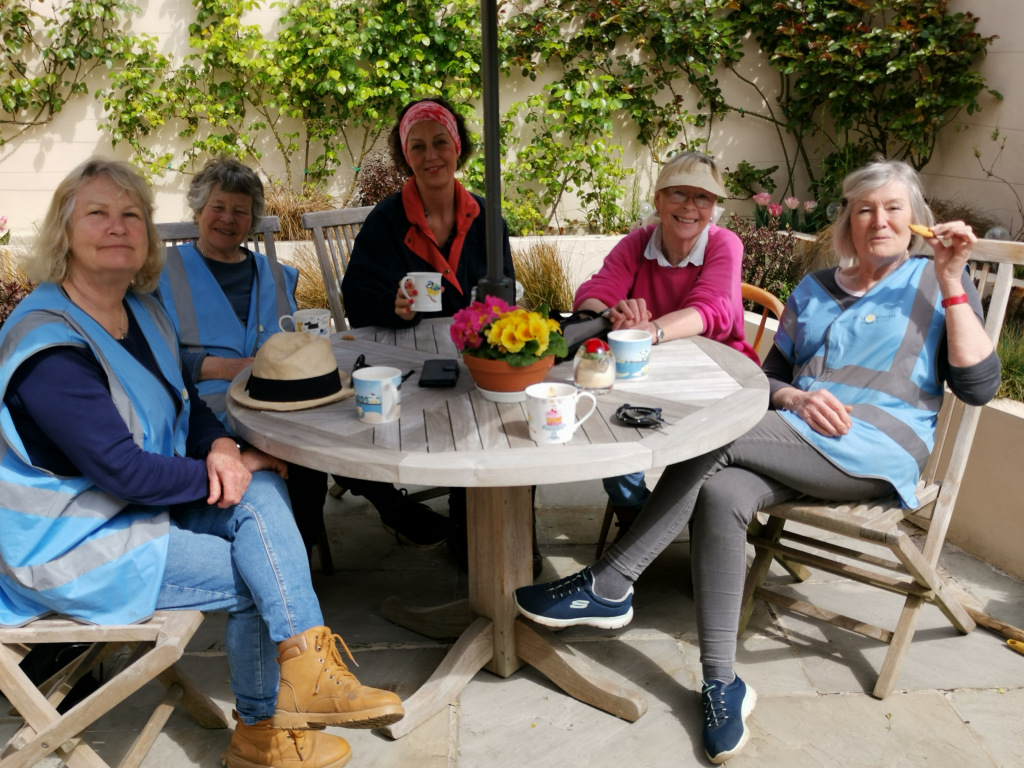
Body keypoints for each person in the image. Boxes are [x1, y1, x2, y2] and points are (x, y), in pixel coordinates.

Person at [514, 158, 1001, 764]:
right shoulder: (815, 289)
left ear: (916, 221)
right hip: (794, 436)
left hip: (877, 448)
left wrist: (954, 279)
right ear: (848, 219)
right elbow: (769, 379)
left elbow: (979, 386)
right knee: (720, 492)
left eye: (893, 208)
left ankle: (611, 584)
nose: (879, 220)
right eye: (865, 208)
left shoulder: (935, 281)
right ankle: (723, 681)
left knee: (717, 432)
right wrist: (795, 394)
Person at [0, 158, 404, 768]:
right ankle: (263, 732)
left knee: (262, 496)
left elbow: (183, 401)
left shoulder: (141, 309)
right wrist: (235, 466)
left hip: (136, 512)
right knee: (258, 572)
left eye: (131, 214)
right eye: (98, 214)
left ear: (148, 233)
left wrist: (221, 447)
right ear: (64, 232)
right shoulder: (48, 344)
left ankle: (307, 673)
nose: (118, 226)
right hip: (73, 542)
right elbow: (124, 471)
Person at [340, 97, 518, 567]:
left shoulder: (485, 216)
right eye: (416, 147)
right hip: (405, 359)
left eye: (441, 142)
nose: (431, 155)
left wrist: (492, 317)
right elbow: (355, 297)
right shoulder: (386, 221)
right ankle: (419, 517)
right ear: (405, 156)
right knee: (362, 416)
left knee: (501, 422)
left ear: (458, 147)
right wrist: (392, 305)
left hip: (472, 356)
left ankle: (493, 538)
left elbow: (507, 295)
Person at [155, 157, 337, 556]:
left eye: (240, 211)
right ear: (199, 211)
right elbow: (153, 358)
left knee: (319, 440)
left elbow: (292, 341)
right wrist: (226, 367)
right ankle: (279, 556)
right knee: (300, 454)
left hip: (277, 405)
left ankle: (297, 552)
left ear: (252, 218)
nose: (227, 218)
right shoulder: (162, 272)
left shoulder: (277, 274)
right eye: (217, 207)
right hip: (204, 411)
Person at [573, 151, 758, 536]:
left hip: (718, 377)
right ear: (657, 200)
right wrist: (612, 313)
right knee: (608, 432)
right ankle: (641, 521)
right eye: (678, 193)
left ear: (713, 208)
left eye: (702, 197)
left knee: (706, 457)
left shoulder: (725, 244)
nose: (690, 206)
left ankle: (690, 529)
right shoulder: (637, 243)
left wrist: (648, 331)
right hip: (648, 375)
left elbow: (712, 309)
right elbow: (593, 292)